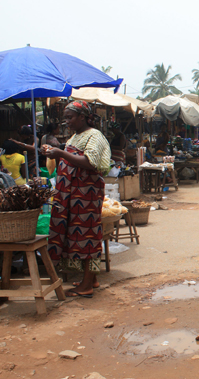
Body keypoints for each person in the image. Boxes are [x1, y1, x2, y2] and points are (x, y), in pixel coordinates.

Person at [42, 100, 111, 298]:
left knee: (87, 236)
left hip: (86, 195)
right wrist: (53, 153)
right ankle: (91, 278)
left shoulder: (94, 135)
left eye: (70, 117)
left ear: (83, 117)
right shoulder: (76, 136)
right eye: (65, 118)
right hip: (74, 194)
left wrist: (60, 152)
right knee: (76, 235)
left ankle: (87, 285)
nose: (66, 122)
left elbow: (90, 162)